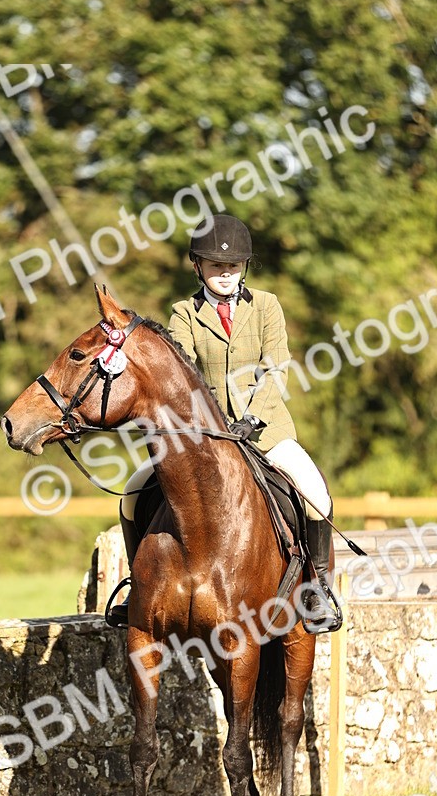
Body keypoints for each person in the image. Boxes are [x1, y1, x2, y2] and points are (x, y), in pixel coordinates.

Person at [107, 213, 339, 631]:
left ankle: (317, 587)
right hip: (206, 437)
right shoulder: (183, 314)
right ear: (199, 267)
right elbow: (184, 377)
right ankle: (134, 586)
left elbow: (276, 369)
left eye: (233, 266)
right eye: (216, 265)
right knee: (131, 492)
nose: (226, 273)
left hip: (266, 432)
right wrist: (213, 422)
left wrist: (252, 418)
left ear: (244, 267)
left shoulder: (267, 306)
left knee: (315, 495)